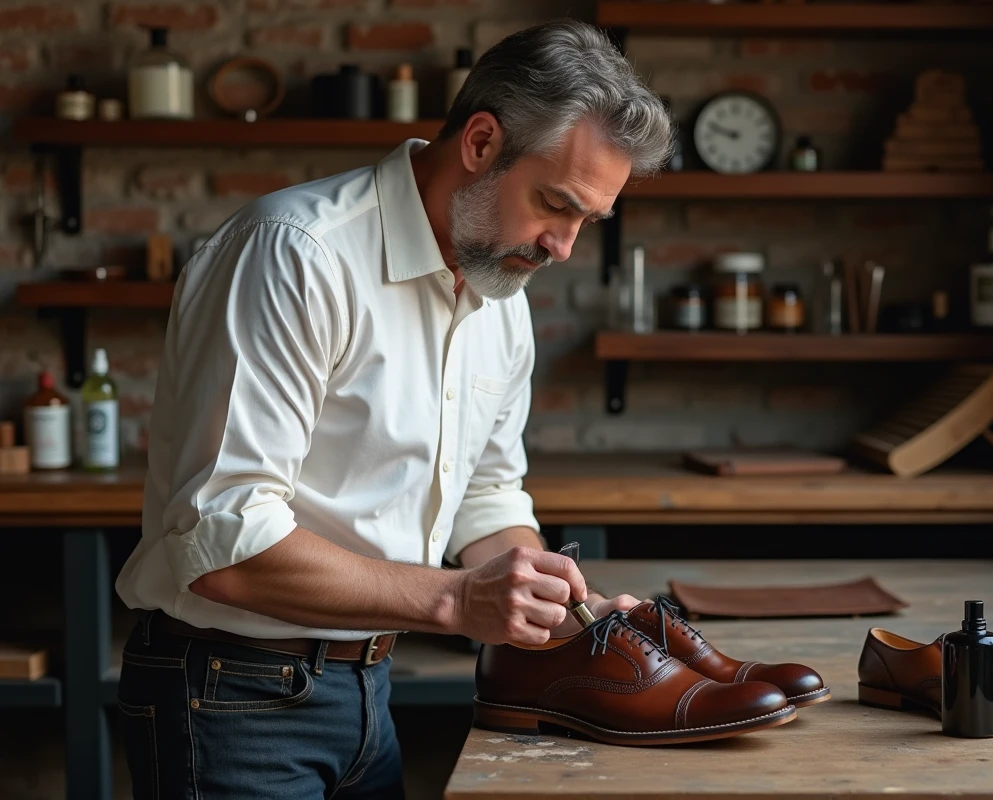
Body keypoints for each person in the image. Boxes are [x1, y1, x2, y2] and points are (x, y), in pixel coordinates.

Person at [113, 19, 673, 799]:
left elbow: (487, 500)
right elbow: (224, 541)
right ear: (480, 143)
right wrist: (453, 600)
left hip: (371, 689)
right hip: (230, 694)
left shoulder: (499, 293)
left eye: (588, 221)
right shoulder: (295, 253)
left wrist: (564, 606)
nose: (564, 247)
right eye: (554, 204)